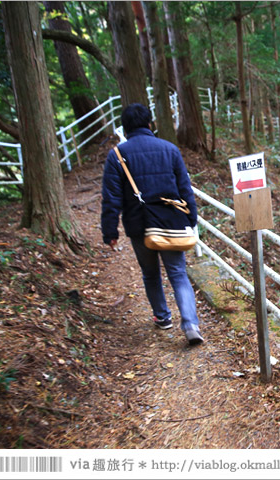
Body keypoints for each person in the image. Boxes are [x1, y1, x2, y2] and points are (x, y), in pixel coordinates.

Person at [101, 103, 204, 346]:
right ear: (150, 124)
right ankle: (190, 323)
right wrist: (191, 218)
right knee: (178, 274)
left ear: (125, 128)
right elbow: (184, 189)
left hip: (139, 224)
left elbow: (111, 198)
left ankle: (163, 317)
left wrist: (110, 231)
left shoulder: (116, 155)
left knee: (150, 274)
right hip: (171, 221)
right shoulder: (170, 149)